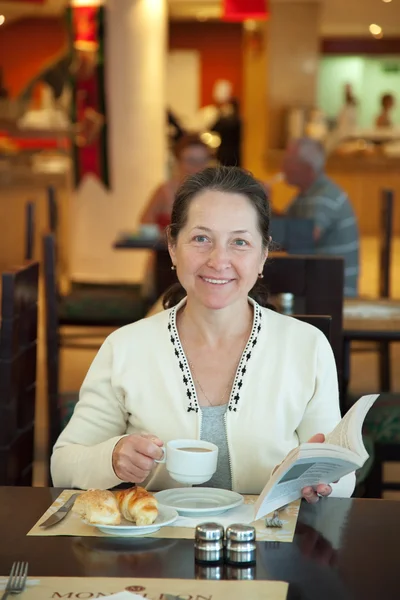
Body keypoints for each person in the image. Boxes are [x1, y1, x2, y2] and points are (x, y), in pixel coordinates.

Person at [51, 166, 355, 502]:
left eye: (239, 242)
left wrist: (321, 481)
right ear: (172, 247)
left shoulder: (306, 346)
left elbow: (341, 475)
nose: (218, 259)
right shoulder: (126, 347)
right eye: (201, 239)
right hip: (158, 547)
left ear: (263, 254)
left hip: (269, 546)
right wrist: (112, 458)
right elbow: (63, 464)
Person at [283, 137, 359, 297]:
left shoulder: (324, 197)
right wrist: (263, 203)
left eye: (289, 161)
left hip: (333, 294)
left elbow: (304, 237)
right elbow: (284, 224)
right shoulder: (306, 195)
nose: (282, 166)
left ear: (307, 168)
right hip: (319, 283)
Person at [140, 134, 213, 231]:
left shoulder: (215, 191)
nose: (197, 167)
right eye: (191, 160)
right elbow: (145, 222)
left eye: (201, 161)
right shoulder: (165, 191)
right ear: (178, 162)